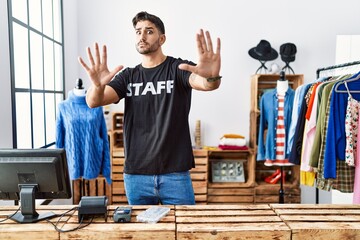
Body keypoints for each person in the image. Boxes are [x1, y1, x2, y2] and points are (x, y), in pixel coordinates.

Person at [78, 11, 221, 205]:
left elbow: (204, 83)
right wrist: (98, 85)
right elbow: (93, 101)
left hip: (175, 175)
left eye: (149, 31)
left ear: (162, 38)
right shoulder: (128, 76)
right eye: (138, 32)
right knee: (142, 234)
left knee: (185, 231)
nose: (142, 36)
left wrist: (211, 76)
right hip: (137, 176)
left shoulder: (178, 68)